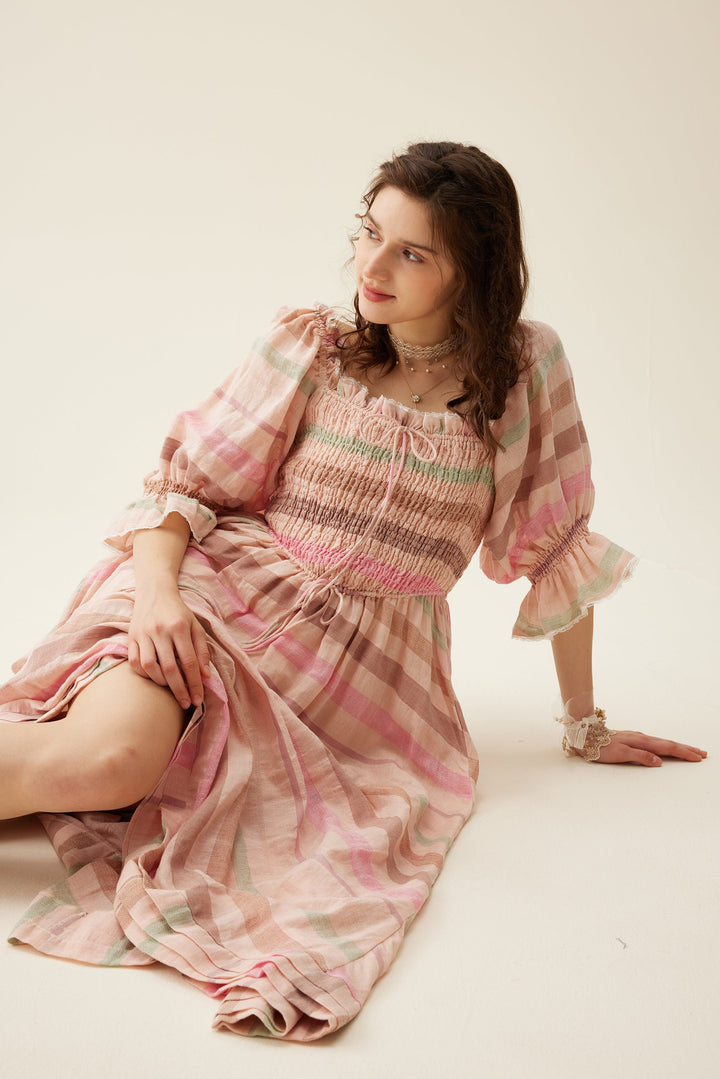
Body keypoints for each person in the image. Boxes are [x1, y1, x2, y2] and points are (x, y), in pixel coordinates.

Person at [0, 141, 706, 1041]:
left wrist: (585, 721)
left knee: (218, 826)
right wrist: (156, 597)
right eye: (370, 234)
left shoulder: (526, 371)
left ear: (473, 269)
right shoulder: (314, 346)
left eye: (411, 252)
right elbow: (183, 489)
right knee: (110, 763)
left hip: (364, 690)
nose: (371, 267)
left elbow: (557, 543)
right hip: (215, 599)